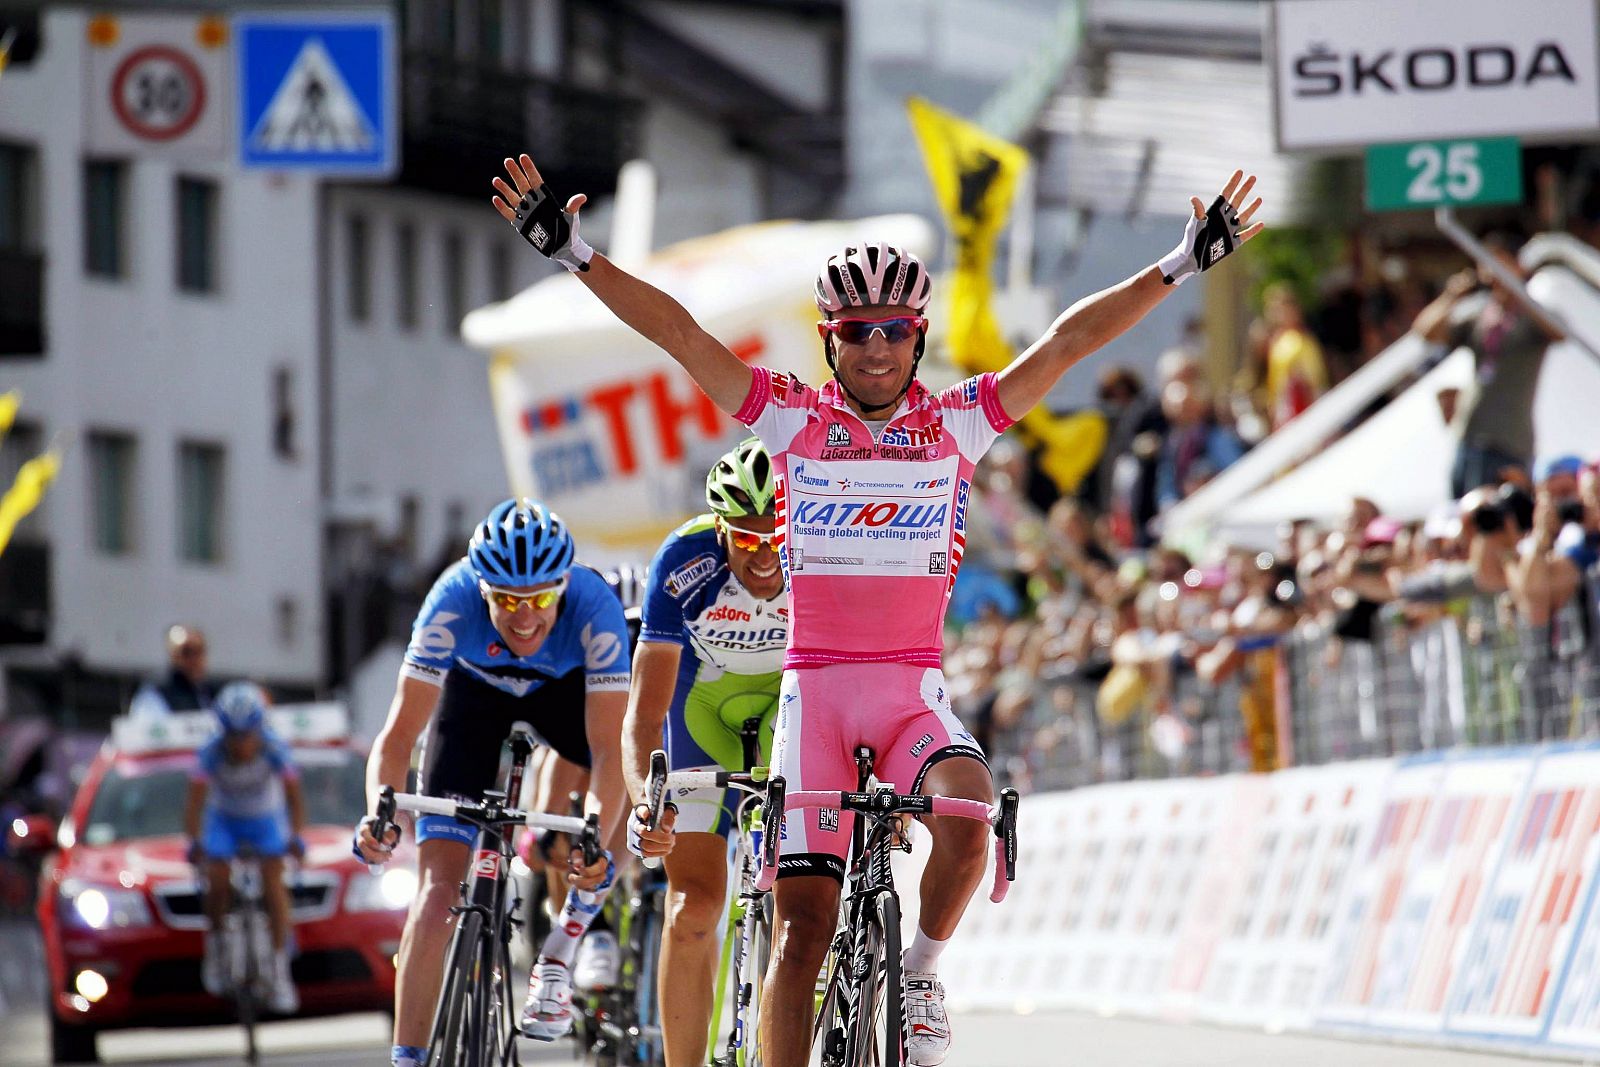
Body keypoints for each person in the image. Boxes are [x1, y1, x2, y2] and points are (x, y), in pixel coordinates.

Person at [493, 150, 1262, 1066]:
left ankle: (925, 969)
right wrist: (579, 254)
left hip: (909, 692)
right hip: (813, 695)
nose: (877, 346)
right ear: (829, 339)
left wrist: (1179, 262)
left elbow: (1063, 344)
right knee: (802, 929)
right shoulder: (791, 421)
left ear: (919, 334)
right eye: (856, 331)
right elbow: (684, 336)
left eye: (894, 329)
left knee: (972, 811)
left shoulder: (959, 422)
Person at [353, 500, 633, 1067]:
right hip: (474, 701)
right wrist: (377, 817)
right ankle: (407, 1058)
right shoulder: (451, 599)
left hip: (563, 696)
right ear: (481, 590)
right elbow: (398, 735)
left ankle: (561, 949)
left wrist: (597, 836)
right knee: (435, 897)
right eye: (506, 600)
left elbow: (608, 750)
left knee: (629, 786)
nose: (524, 618)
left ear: (563, 586)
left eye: (539, 600)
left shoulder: (594, 606)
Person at [622, 438, 788, 1067]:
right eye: (747, 540)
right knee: (695, 908)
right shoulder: (682, 563)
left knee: (806, 898)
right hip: (702, 715)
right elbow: (642, 715)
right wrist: (646, 806)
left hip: (788, 712)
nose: (766, 554)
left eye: (778, 535)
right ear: (721, 529)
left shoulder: (820, 549)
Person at [1411, 233, 1566, 497]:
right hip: (1469, 436)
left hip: (1509, 441)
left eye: (1499, 262)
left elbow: (1559, 332)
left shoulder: (1530, 317)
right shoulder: (1479, 315)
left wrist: (1517, 289)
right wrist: (1452, 296)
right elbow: (1425, 331)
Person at [184, 681, 306, 1015]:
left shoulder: (275, 748)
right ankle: (217, 946)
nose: (240, 744)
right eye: (232, 736)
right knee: (218, 878)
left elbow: (294, 797)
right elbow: (194, 804)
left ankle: (280, 971)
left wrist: (296, 836)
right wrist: (194, 842)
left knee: (274, 883)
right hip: (224, 820)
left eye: (247, 735)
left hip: (264, 818)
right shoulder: (210, 752)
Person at [129, 624, 219, 717]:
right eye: (187, 652)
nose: (195, 659)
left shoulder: (208, 693)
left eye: (199, 651)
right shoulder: (155, 693)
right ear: (174, 656)